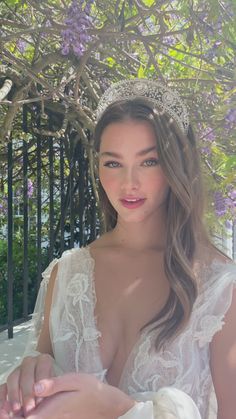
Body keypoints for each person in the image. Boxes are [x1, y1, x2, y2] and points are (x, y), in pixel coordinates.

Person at [0, 79, 235, 419]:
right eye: (113, 163)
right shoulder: (68, 275)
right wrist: (31, 379)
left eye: (148, 161)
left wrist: (120, 409)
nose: (129, 183)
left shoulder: (220, 288)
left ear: (175, 167)